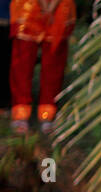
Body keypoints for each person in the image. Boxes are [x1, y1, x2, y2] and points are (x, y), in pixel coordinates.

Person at [9, 0, 76, 134]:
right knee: (22, 64)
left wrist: (51, 7)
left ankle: (47, 114)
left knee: (54, 65)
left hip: (60, 9)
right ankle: (21, 114)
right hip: (27, 8)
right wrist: (46, 7)